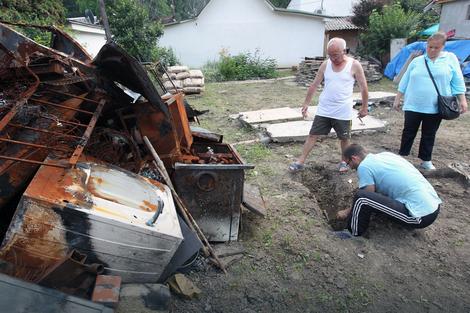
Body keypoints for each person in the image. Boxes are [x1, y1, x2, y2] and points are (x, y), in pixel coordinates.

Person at [289, 37, 369, 173]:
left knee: (344, 138)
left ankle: (344, 162)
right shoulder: (326, 64)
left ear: (344, 51)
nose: (332, 58)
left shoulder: (354, 65)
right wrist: (306, 103)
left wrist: (364, 107)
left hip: (343, 111)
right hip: (324, 109)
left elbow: (364, 87)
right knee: (313, 134)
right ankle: (300, 161)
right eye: (330, 55)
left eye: (336, 55)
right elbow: (314, 84)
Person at [393, 31, 468, 170]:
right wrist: (398, 98)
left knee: (429, 133)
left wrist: (462, 100)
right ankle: (402, 156)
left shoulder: (449, 59)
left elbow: (457, 81)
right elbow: (405, 80)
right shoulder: (417, 61)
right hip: (413, 104)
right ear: (426, 45)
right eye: (430, 47)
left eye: (436, 47)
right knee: (408, 131)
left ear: (443, 47)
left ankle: (425, 159)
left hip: (435, 106)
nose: (432, 50)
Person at [336, 144, 441, 237]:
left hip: (419, 216)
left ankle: (351, 232)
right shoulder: (386, 155)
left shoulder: (364, 167)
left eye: (348, 163)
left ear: (354, 158)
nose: (349, 167)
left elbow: (367, 194)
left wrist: (346, 212)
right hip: (433, 206)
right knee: (368, 197)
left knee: (361, 198)